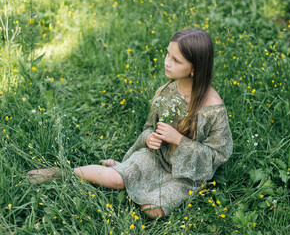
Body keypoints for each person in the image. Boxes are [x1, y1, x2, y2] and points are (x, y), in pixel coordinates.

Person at [27, 28, 233, 218]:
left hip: (186, 175)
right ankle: (64, 173)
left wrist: (179, 140)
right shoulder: (165, 92)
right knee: (115, 180)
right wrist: (150, 137)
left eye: (176, 60)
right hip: (158, 158)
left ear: (194, 69)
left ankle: (127, 171)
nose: (167, 62)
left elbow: (219, 155)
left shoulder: (213, 108)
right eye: (167, 54)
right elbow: (149, 128)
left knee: (153, 211)